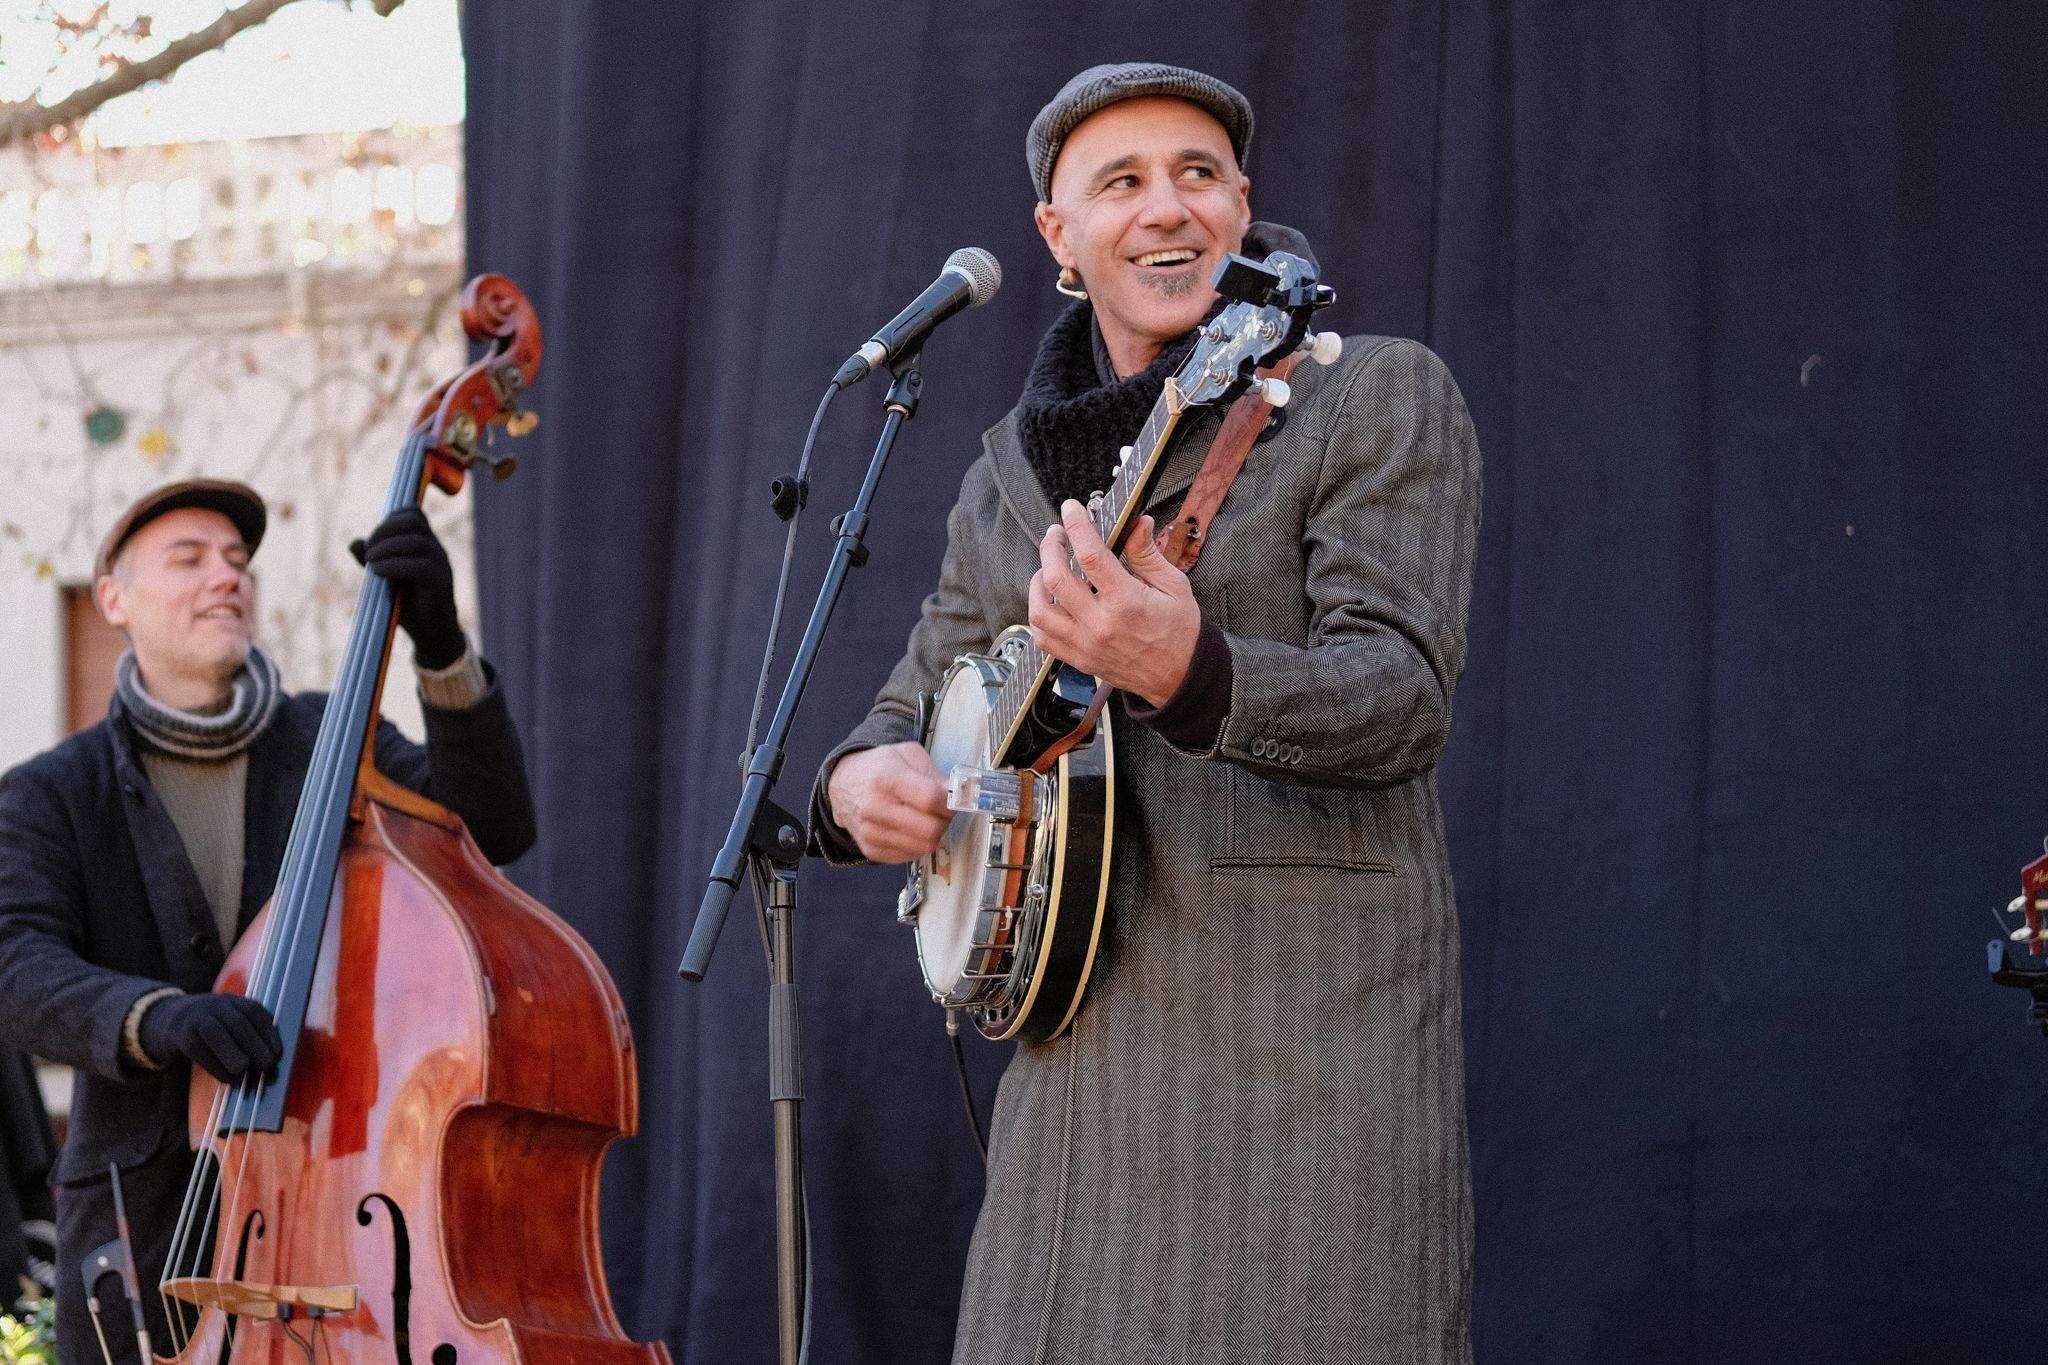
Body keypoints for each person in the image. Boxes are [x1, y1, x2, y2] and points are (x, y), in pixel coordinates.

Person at [811, 63, 1481, 1363]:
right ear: (1058, 239)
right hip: (1074, 1064)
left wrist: (1193, 667)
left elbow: (1401, 699)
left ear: (1243, 210)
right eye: (1120, 182)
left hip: (1310, 1053)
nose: (1165, 207)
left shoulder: (1369, 391)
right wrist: (858, 784)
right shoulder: (1004, 473)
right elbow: (909, 702)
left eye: (1198, 175)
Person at [0, 479, 537, 1364]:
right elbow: (17, 967)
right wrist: (154, 1016)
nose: (227, 577)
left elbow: (494, 830)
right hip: (140, 1242)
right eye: (190, 559)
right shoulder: (54, 791)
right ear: (114, 600)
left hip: (339, 1208)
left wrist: (441, 649)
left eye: (239, 561)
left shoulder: (337, 738)